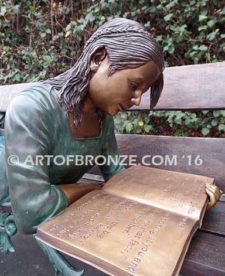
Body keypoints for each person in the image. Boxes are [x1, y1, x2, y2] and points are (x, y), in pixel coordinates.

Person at [0, 18, 221, 239]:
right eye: (134, 86)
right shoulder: (32, 108)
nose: (137, 100)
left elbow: (116, 178)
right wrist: (92, 189)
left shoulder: (102, 119)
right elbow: (32, 213)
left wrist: (187, 201)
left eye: (142, 92)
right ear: (97, 59)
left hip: (53, 196)